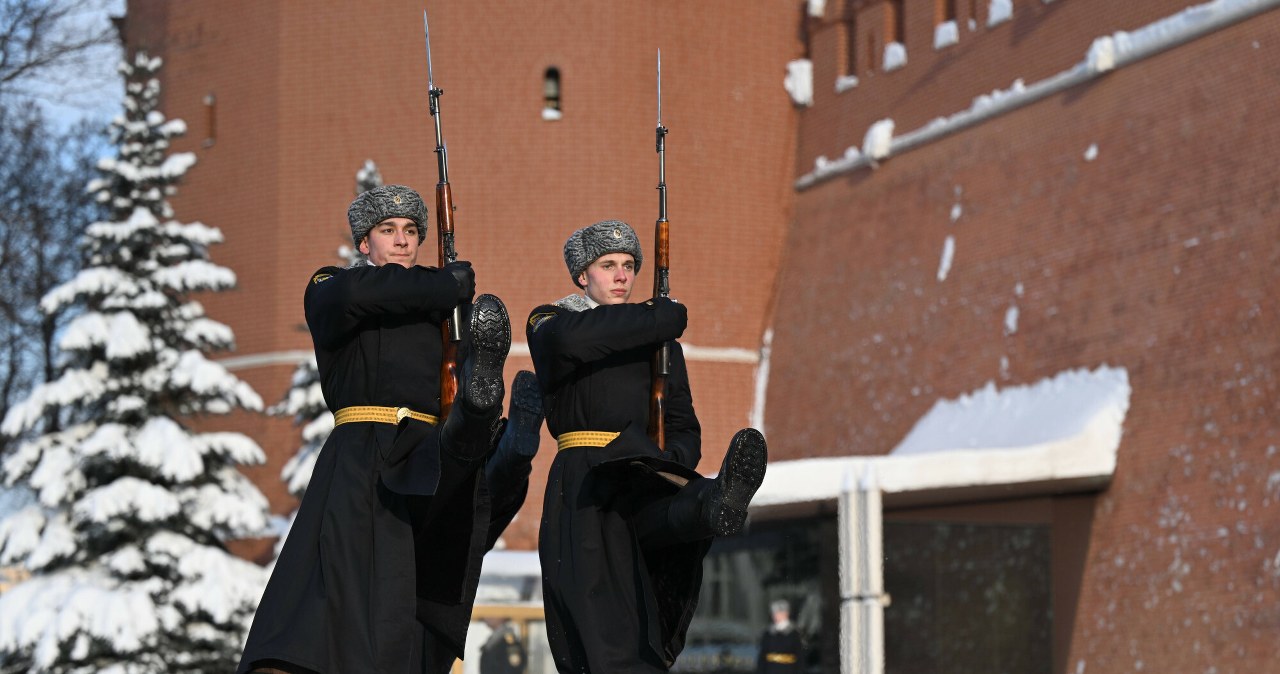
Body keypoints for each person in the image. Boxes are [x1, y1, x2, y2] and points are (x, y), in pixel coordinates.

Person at [239, 185, 542, 674]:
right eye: (388, 230)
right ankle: (482, 419)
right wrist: (446, 286)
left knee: (452, 522)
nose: (402, 240)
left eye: (411, 231)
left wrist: (452, 308)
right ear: (365, 242)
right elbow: (356, 293)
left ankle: (487, 414)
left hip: (428, 447)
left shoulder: (444, 312)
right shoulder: (332, 285)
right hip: (366, 453)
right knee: (360, 593)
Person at [525, 219, 768, 673]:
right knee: (596, 622)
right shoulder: (552, 322)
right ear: (581, 275)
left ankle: (715, 502)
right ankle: (706, 503)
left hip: (641, 473)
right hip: (585, 482)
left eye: (629, 265)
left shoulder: (660, 346)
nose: (622, 275)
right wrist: (658, 318)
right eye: (608, 265)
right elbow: (573, 340)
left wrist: (669, 463)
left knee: (652, 588)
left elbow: (683, 426)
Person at [756, 599, 803, 673]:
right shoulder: (768, 633)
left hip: (788, 670)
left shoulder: (794, 633)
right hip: (771, 670)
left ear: (786, 614)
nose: (775, 615)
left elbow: (800, 657)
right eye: (774, 613)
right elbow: (762, 656)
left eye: (778, 613)